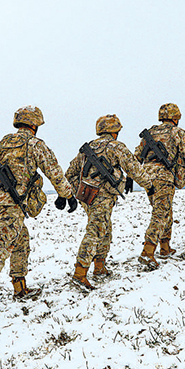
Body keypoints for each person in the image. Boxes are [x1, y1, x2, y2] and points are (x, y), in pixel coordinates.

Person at [0, 106, 77, 312]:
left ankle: (20, 288)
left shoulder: (3, 143)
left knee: (21, 241)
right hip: (13, 204)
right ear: (35, 124)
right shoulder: (35, 144)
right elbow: (53, 170)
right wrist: (67, 195)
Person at [65, 114, 153, 289]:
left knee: (105, 230)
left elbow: (70, 172)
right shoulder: (116, 147)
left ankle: (99, 267)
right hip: (102, 197)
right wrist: (149, 185)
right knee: (96, 231)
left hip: (88, 196)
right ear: (114, 132)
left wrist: (80, 189)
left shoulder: (88, 148)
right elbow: (134, 169)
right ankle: (80, 273)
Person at [134, 103, 185, 269]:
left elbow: (137, 155)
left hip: (147, 176)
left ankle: (165, 247)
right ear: (176, 118)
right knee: (160, 213)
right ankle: (148, 251)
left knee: (164, 210)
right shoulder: (177, 132)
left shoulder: (150, 133)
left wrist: (132, 176)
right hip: (163, 177)